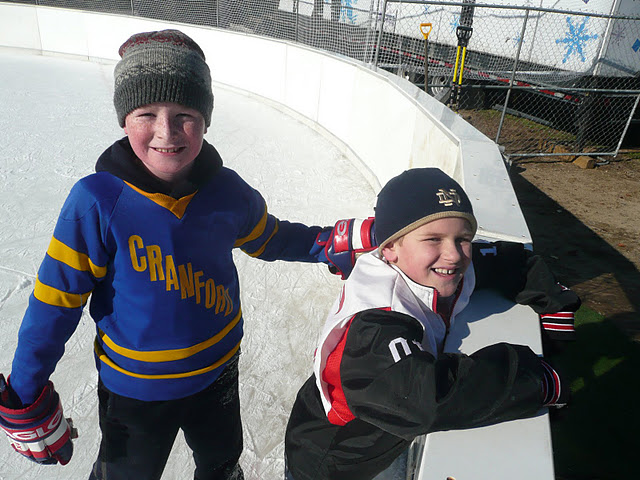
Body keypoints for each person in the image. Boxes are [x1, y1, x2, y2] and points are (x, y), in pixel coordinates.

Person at [0, 29, 364, 480]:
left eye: (185, 114)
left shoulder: (227, 192)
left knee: (221, 465)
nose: (166, 132)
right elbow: (55, 301)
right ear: (124, 120)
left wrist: (331, 243)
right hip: (135, 393)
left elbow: (270, 238)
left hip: (218, 373)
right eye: (146, 113)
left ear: (205, 120)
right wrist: (25, 389)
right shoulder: (97, 203)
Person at [284, 167, 574, 480]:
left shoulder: (439, 266)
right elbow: (424, 399)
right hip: (335, 456)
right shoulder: (373, 323)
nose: (453, 255)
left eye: (463, 238)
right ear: (390, 247)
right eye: (433, 239)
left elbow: (506, 261)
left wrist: (555, 302)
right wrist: (532, 377)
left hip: (385, 427)